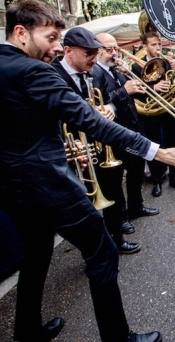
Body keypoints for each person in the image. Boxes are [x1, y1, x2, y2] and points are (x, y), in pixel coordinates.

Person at [0, 0, 175, 342]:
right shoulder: (33, 70)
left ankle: (27, 331)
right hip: (46, 186)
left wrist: (58, 148)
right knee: (102, 252)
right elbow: (89, 120)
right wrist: (155, 151)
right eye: (50, 38)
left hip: (6, 188)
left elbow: (7, 134)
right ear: (20, 33)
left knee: (36, 254)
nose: (57, 48)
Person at [51, 28, 146, 255]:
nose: (94, 59)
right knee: (80, 202)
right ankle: (91, 250)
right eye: (88, 54)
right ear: (68, 51)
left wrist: (108, 109)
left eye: (96, 53)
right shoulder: (52, 74)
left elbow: (109, 100)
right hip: (74, 149)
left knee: (113, 192)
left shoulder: (97, 73)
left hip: (102, 147)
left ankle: (116, 239)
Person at [95, 32, 153, 246]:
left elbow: (130, 94)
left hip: (132, 129)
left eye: (115, 49)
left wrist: (133, 82)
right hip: (115, 136)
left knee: (137, 169)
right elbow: (100, 103)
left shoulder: (114, 70)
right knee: (116, 180)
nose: (114, 53)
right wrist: (124, 90)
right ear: (98, 50)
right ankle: (120, 218)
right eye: (109, 49)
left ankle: (136, 206)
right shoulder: (95, 73)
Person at [132, 31, 175, 197]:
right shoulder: (135, 65)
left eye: (159, 44)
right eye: (153, 45)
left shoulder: (166, 62)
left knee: (173, 143)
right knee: (154, 147)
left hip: (169, 111)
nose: (157, 48)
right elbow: (134, 92)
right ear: (145, 46)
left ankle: (174, 177)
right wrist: (154, 88)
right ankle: (157, 180)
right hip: (151, 114)